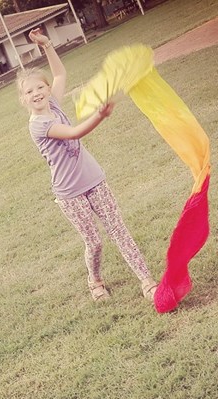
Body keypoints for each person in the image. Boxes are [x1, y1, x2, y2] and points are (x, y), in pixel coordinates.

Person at [21, 27, 158, 302]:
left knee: (118, 230)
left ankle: (147, 281)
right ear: (23, 99)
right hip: (69, 193)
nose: (37, 93)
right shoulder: (38, 125)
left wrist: (47, 45)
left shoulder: (53, 104)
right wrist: (100, 116)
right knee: (94, 241)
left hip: (94, 179)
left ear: (47, 90)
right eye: (29, 91)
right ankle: (95, 280)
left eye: (40, 87)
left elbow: (60, 74)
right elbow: (74, 133)